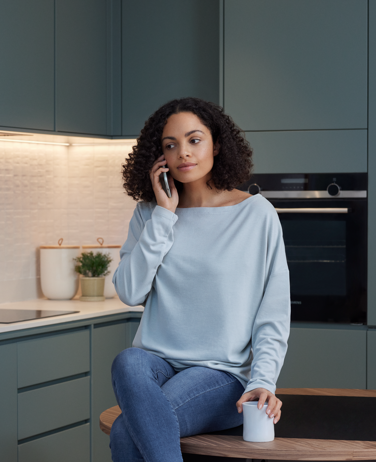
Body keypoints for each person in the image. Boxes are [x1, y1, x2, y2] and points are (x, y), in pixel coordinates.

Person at [110, 97, 290, 462]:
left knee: (126, 431)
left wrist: (262, 381)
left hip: (220, 375)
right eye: (170, 145)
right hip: (156, 367)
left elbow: (273, 312)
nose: (183, 154)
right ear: (159, 156)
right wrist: (164, 215)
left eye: (194, 140)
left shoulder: (255, 214)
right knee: (128, 361)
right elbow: (129, 292)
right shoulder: (150, 214)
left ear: (217, 144)